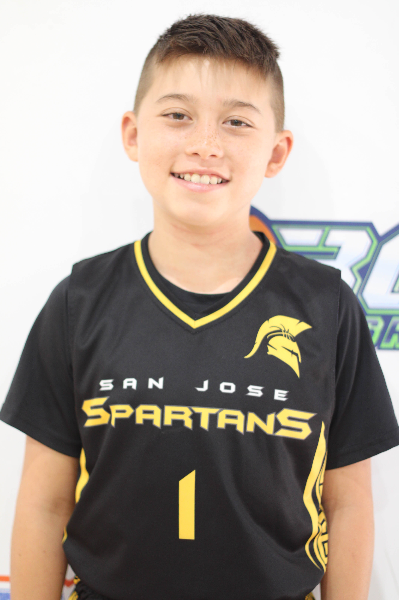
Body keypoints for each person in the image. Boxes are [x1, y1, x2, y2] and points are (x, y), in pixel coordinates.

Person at [1, 13, 398, 600]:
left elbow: (348, 504)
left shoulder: (326, 306)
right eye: (178, 115)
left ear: (276, 152)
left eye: (236, 121)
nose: (205, 144)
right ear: (133, 135)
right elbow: (44, 502)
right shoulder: (79, 302)